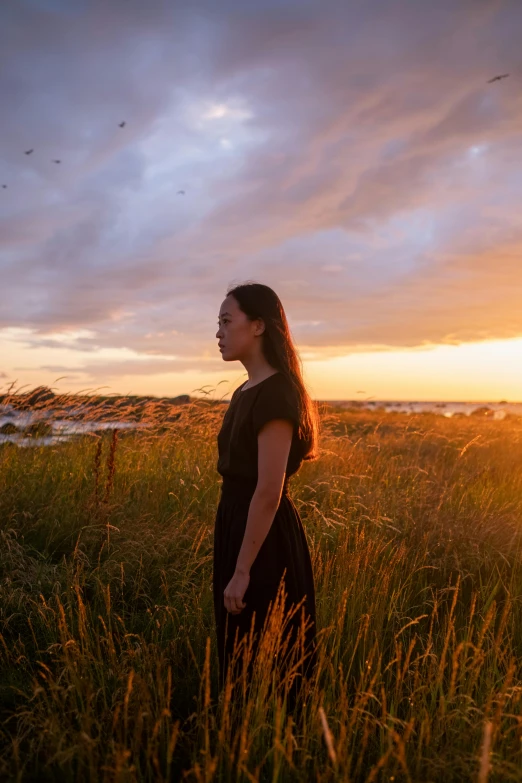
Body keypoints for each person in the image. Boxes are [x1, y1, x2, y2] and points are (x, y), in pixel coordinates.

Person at [213, 282, 319, 715]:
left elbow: (268, 491)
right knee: (235, 649)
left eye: (226, 321)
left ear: (258, 326)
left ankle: (280, 747)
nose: (218, 333)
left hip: (264, 537)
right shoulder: (244, 392)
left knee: (272, 655)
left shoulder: (277, 393)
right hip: (235, 522)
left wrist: (242, 569)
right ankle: (238, 736)